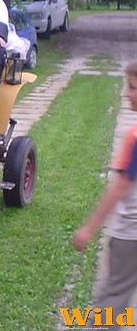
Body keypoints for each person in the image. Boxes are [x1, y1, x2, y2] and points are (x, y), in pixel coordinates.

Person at [72, 62, 137, 329]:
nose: (126, 94)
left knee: (111, 301)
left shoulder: (135, 137)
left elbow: (121, 186)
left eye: (133, 88)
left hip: (130, 235)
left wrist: (88, 228)